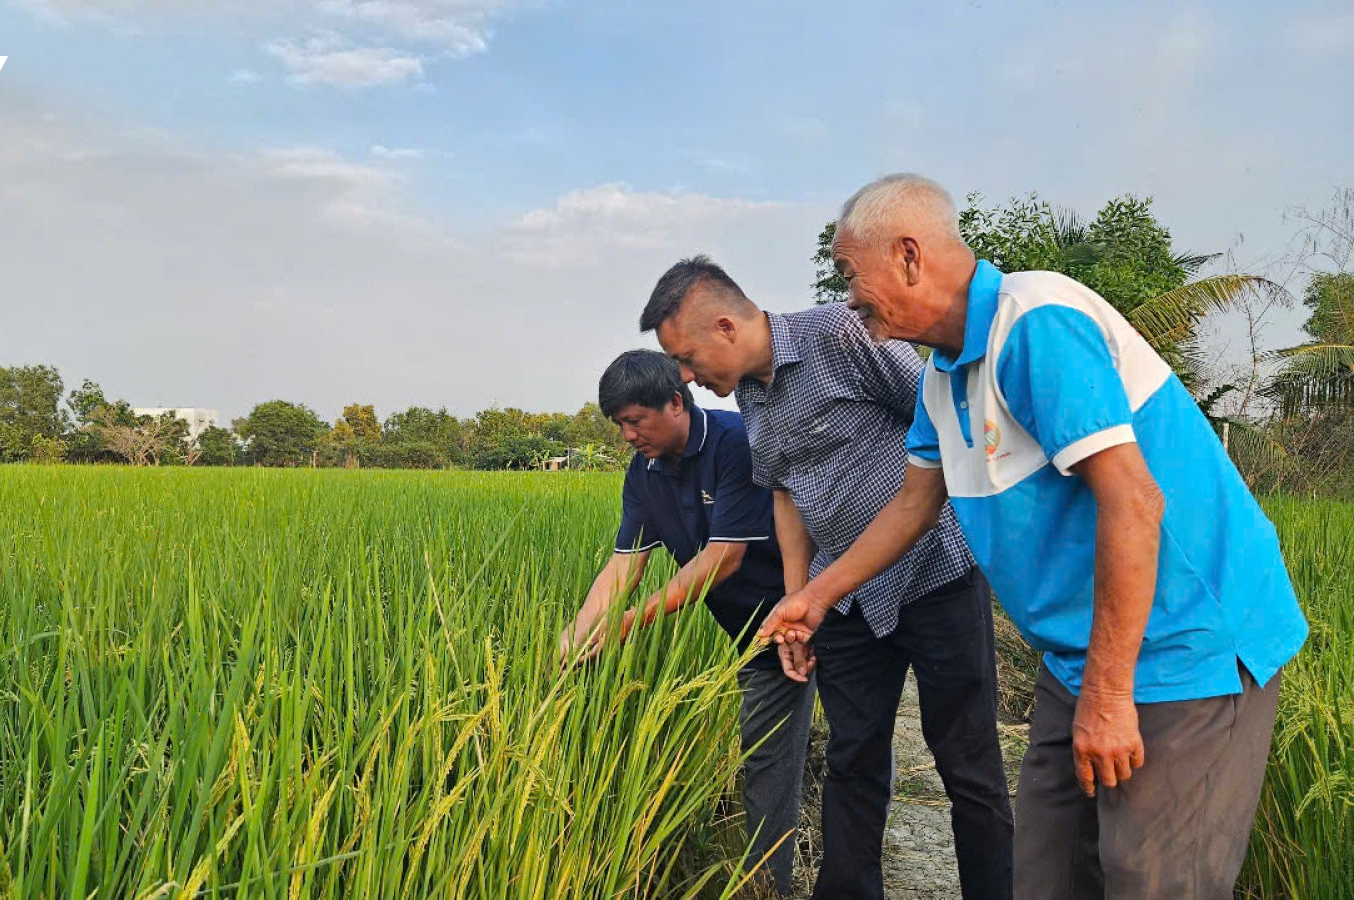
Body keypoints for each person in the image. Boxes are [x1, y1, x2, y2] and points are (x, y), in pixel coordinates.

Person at [759, 173, 1309, 900]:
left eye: (852, 276)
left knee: (1151, 880)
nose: (849, 300)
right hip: (1080, 659)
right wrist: (817, 597)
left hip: (1186, 648)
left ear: (910, 256)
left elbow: (1135, 503)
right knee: (1046, 876)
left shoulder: (1035, 322)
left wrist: (1111, 696)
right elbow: (911, 506)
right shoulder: (940, 380)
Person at [640, 257, 1015, 900]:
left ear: (725, 326)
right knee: (852, 760)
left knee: (968, 764)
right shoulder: (750, 403)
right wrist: (796, 598)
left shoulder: (839, 335)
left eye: (686, 355)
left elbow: (942, 416)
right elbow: (785, 494)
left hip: (935, 575)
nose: (685, 376)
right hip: (841, 601)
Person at [560, 349, 809, 896]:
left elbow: (724, 557)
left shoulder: (733, 443)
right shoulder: (643, 472)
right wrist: (578, 633)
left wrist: (630, 621)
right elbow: (625, 562)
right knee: (765, 756)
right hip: (758, 636)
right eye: (619, 424)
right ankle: (769, 889)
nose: (627, 435)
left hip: (818, 607)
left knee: (857, 743)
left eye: (635, 420)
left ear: (675, 401)